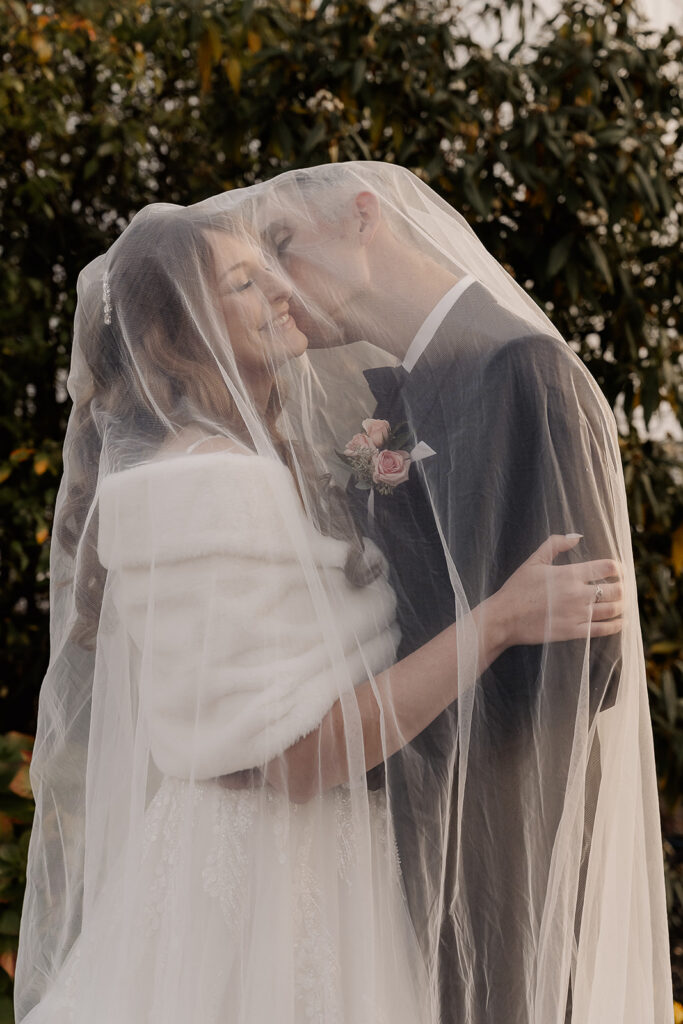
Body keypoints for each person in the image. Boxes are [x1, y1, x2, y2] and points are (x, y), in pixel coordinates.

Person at [15, 198, 628, 1024]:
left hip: (318, 861)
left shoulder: (251, 460)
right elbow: (296, 759)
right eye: (244, 281)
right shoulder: (202, 484)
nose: (280, 289)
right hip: (272, 885)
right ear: (182, 333)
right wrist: (499, 620)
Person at [254, 162, 673, 1023]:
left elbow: (582, 649)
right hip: (397, 825)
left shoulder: (524, 369)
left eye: (284, 245)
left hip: (492, 829)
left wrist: (381, 733)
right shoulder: (403, 390)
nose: (275, 288)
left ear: (363, 217)